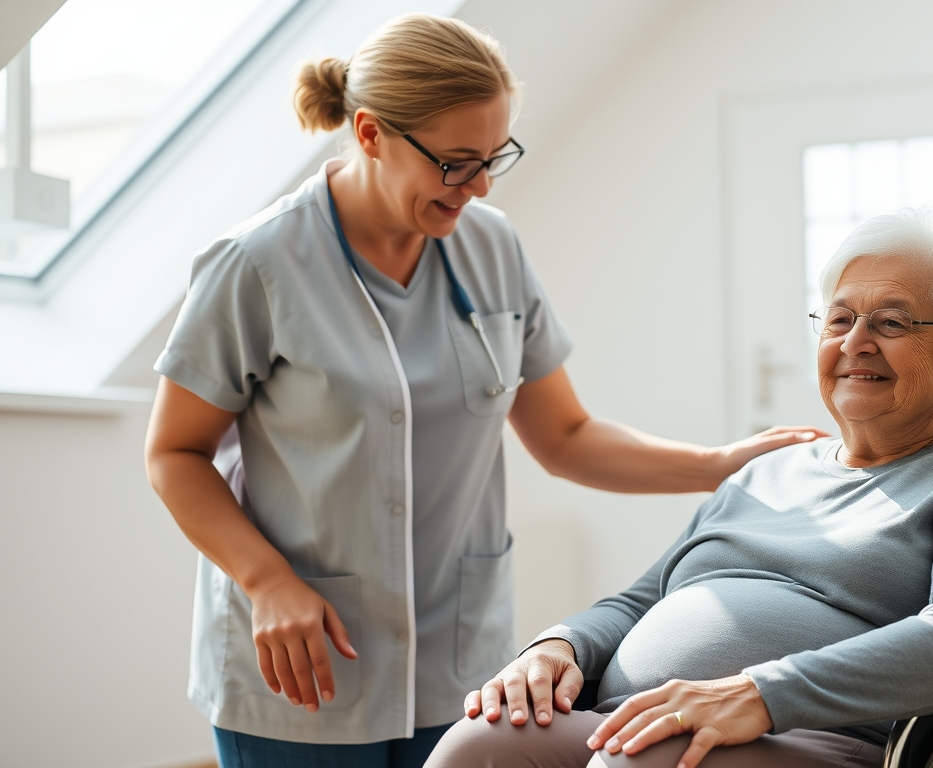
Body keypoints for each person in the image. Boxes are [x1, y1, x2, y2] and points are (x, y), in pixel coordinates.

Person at [143, 14, 818, 768]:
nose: (481, 185)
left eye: (495, 158)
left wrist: (719, 464)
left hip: (461, 662)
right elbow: (175, 452)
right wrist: (266, 582)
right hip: (306, 665)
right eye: (457, 163)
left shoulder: (492, 245)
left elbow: (564, 437)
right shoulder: (257, 265)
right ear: (370, 133)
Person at [427, 208, 933, 768]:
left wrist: (760, 692)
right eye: (839, 319)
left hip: (823, 735)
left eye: (892, 324)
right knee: (477, 745)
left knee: (644, 762)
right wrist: (557, 645)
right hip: (640, 719)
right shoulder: (770, 469)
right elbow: (640, 601)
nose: (855, 343)